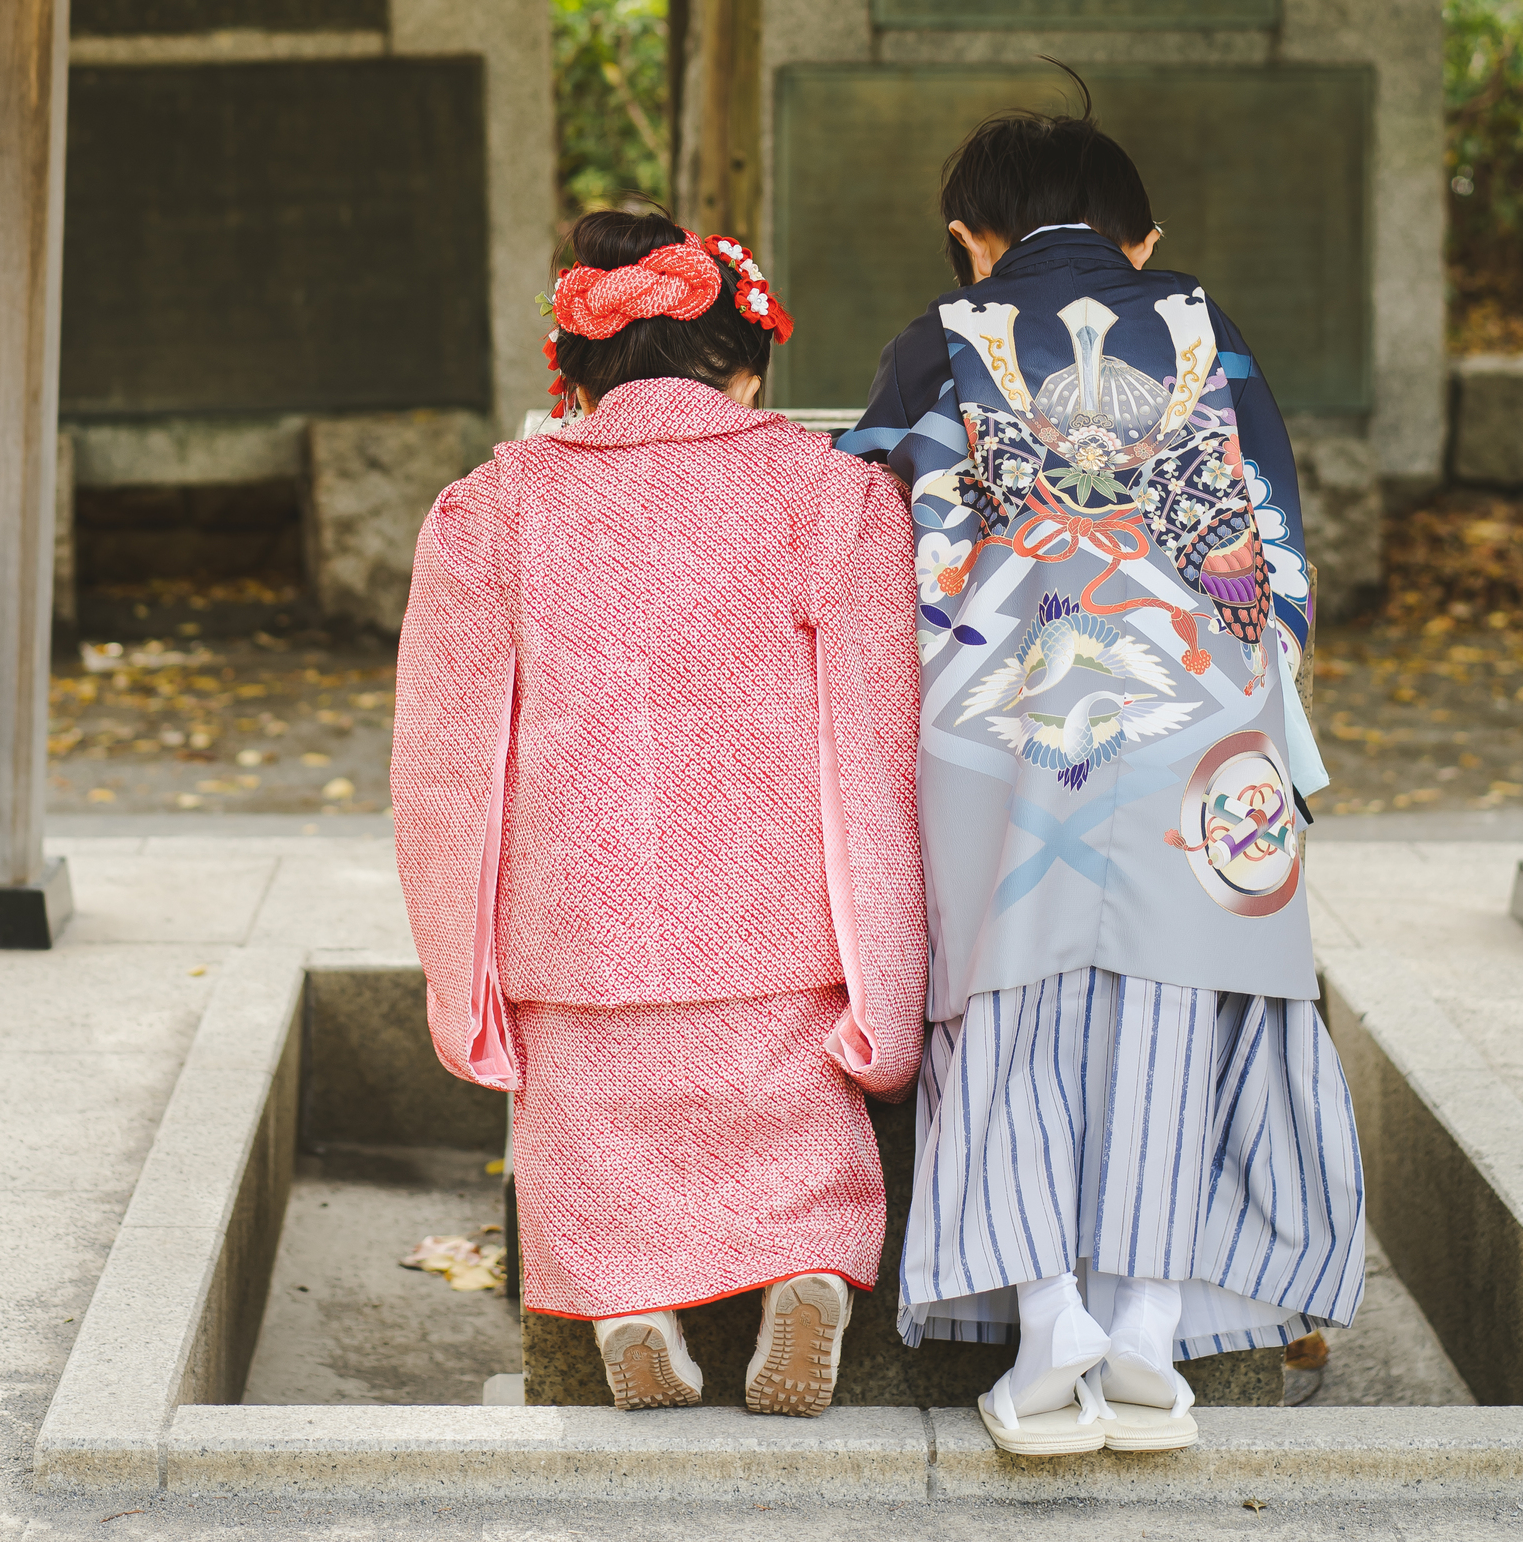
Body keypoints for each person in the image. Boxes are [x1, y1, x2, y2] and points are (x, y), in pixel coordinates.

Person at [838, 91, 1363, 1457]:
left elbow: (857, 534)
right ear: (1141, 243)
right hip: (1201, 727)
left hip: (1003, 733)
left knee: (1005, 1002)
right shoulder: (1208, 331)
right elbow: (1275, 548)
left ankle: (1045, 1324)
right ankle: (1149, 1324)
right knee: (1185, 999)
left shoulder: (937, 340)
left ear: (971, 237)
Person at [392, 210, 928, 1416]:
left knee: (593, 1147)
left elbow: (444, 761)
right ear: (746, 368)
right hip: (775, 911)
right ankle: (806, 1272)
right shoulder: (831, 496)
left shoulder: (494, 506)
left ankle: (630, 1311)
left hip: (577, 919)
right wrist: (887, 992)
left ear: (575, 379)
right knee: (794, 1131)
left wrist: (459, 982)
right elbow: (875, 745)